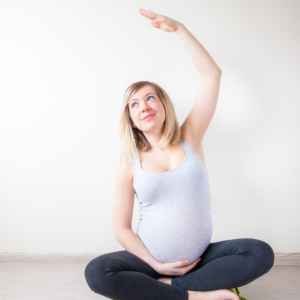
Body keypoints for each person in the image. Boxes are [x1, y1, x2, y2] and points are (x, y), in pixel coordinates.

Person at [84, 8, 274, 300]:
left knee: (260, 253)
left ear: (163, 106)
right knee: (97, 272)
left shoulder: (190, 136)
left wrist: (180, 29)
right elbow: (121, 229)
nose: (144, 105)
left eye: (150, 98)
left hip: (200, 257)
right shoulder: (129, 162)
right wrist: (155, 264)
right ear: (132, 120)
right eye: (134, 104)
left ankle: (166, 290)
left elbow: (212, 75)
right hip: (150, 262)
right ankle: (199, 295)